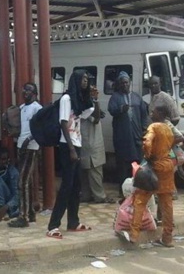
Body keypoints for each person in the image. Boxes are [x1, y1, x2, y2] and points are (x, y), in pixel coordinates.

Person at [46, 70, 94, 240]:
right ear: (76, 80)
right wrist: (72, 149)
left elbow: (90, 113)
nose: (86, 81)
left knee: (76, 186)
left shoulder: (79, 101)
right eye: (83, 79)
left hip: (77, 143)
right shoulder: (66, 99)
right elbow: (63, 122)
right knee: (67, 186)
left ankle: (73, 222)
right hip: (68, 145)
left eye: (87, 79)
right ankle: (53, 225)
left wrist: (92, 97)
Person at [124, 121, 176, 247]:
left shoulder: (154, 127)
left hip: (155, 167)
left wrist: (148, 156)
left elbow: (147, 142)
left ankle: (134, 234)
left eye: (154, 112)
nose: (151, 114)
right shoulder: (169, 129)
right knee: (166, 203)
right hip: (167, 166)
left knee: (140, 200)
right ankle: (167, 237)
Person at [108, 71, 150, 193]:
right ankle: (123, 190)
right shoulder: (115, 97)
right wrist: (121, 109)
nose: (124, 85)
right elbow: (111, 110)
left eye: (126, 82)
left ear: (130, 83)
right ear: (119, 85)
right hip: (122, 137)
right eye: (122, 83)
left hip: (136, 136)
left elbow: (144, 115)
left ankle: (136, 188)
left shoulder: (137, 97)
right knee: (122, 165)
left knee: (136, 164)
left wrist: (144, 129)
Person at [9, 82, 43, 228]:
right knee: (25, 181)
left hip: (31, 147)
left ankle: (23, 217)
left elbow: (40, 129)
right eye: (24, 89)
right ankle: (30, 213)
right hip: (21, 146)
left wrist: (28, 140)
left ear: (34, 93)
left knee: (22, 181)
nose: (25, 92)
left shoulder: (37, 108)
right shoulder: (22, 108)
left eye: (28, 90)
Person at [80, 83, 113, 204]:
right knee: (95, 172)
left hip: (87, 142)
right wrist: (96, 100)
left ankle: (86, 195)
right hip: (91, 144)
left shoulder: (84, 104)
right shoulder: (86, 106)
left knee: (86, 172)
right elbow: (96, 118)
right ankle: (99, 196)